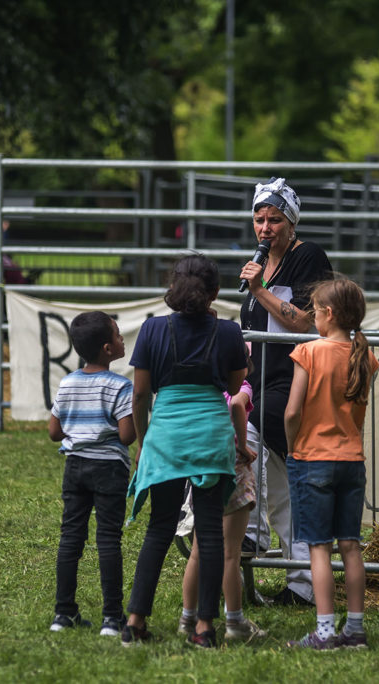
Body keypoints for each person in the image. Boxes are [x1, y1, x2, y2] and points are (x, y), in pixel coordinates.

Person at [123, 254, 248, 649]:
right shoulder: (229, 332)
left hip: (166, 436)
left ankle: (135, 622)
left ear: (172, 288)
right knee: (210, 533)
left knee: (159, 527)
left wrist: (144, 443)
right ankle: (205, 629)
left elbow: (141, 394)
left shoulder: (151, 330)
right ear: (214, 292)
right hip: (211, 435)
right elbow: (235, 386)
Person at [239, 177, 332, 606]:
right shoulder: (258, 265)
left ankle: (252, 535)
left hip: (295, 381)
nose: (265, 228)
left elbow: (309, 322)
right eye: (259, 218)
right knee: (284, 492)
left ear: (291, 223)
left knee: (249, 433)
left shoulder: (307, 256)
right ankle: (303, 587)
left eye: (274, 219)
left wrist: (259, 290)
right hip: (258, 381)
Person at [283, 278, 379, 649]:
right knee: (351, 545)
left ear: (328, 314)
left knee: (319, 547)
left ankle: (324, 631)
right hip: (351, 460)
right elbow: (359, 416)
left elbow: (293, 411)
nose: (312, 317)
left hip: (312, 459)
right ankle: (354, 629)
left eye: (315, 310)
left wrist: (293, 447)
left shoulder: (308, 352)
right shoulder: (364, 356)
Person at [47, 311, 135, 636]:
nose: (122, 338)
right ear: (108, 349)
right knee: (109, 540)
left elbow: (54, 432)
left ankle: (63, 613)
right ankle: (112, 618)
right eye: (118, 334)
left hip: (75, 468)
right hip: (109, 469)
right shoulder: (121, 386)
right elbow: (127, 436)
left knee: (71, 538)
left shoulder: (67, 383)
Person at [179, 345, 267, 642]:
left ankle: (187, 617)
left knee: (198, 552)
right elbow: (237, 406)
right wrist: (242, 444)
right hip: (232, 470)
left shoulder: (203, 387)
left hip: (203, 467)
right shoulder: (242, 386)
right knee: (231, 554)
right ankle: (234, 622)